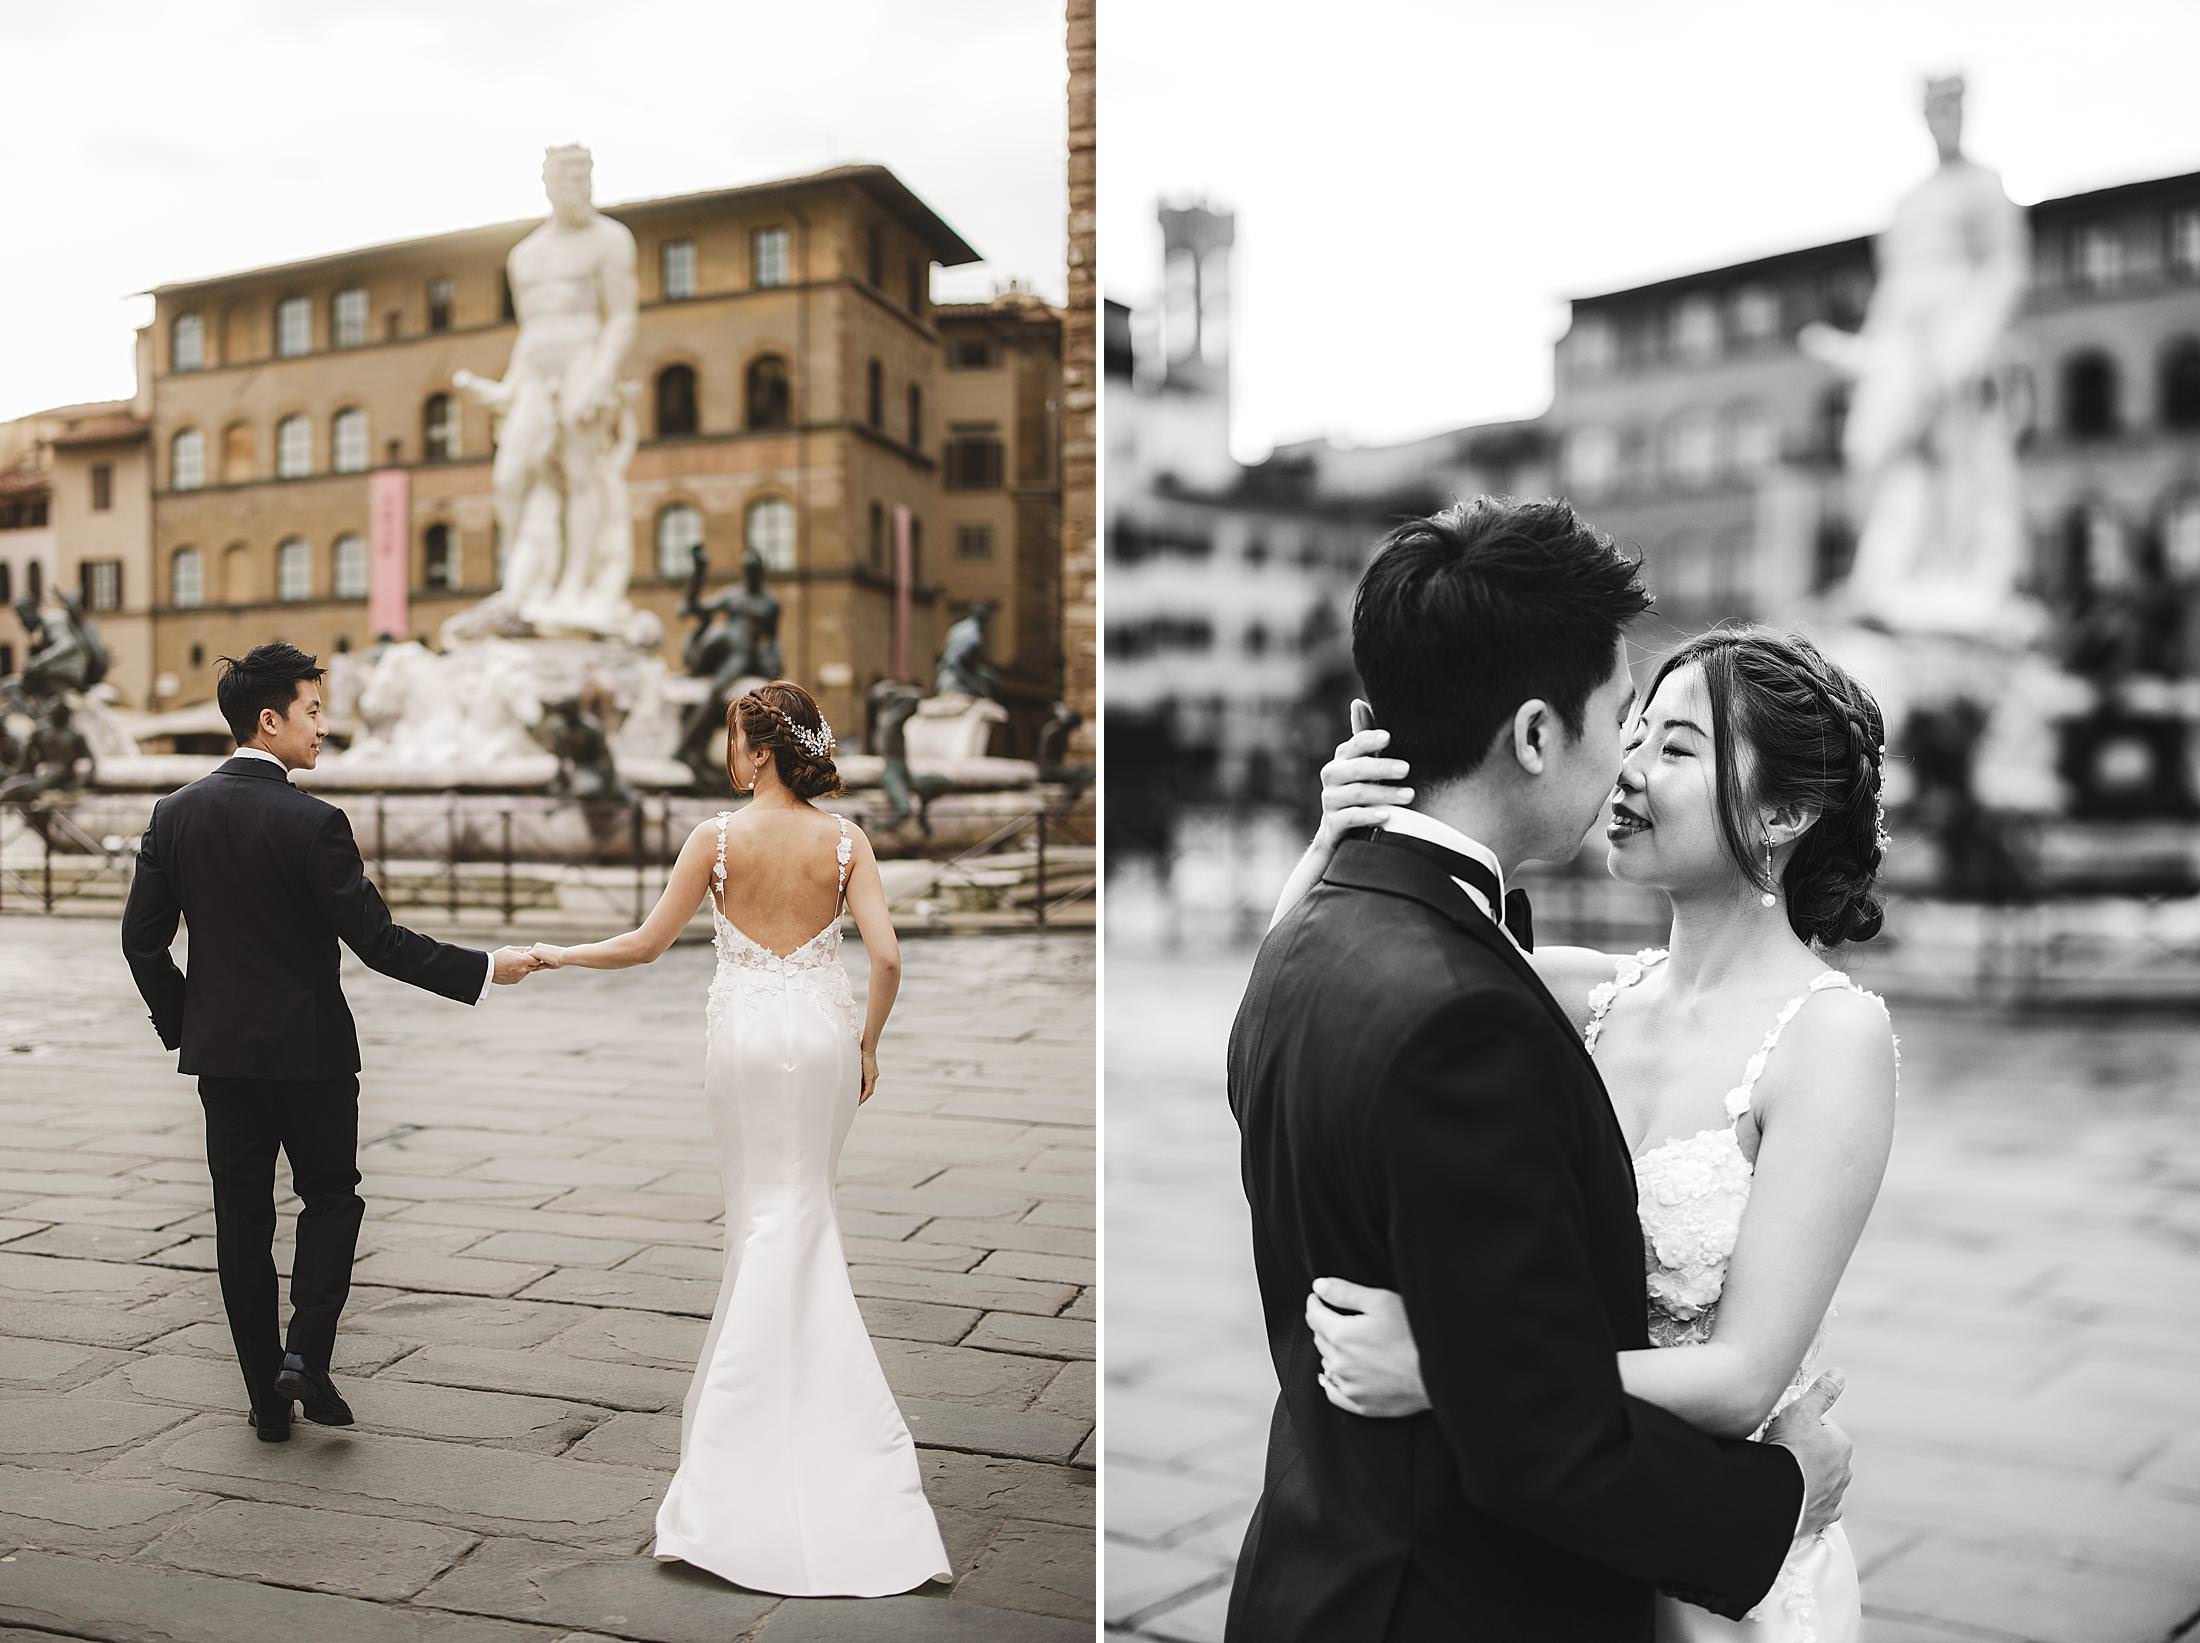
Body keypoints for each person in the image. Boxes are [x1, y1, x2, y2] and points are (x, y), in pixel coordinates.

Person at [1225, 498, 1860, 1643]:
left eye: (1675, 742)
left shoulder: (1322, 947)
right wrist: (1775, 1499)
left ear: (1785, 811)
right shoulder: (1505, 1006)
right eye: (1631, 719)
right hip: (1482, 1581)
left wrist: (1332, 859)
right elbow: (1536, 1442)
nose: (1627, 760)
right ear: (1532, 735)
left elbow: (1735, 1368)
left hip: (1349, 1563)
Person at [526, 680, 950, 1597]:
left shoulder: (714, 839)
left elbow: (645, 944)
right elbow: (886, 956)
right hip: (826, 1038)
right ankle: (831, 1439)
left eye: (732, 739)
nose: (728, 754)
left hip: (747, 1042)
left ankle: (736, 1460)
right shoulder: (847, 840)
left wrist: (555, 954)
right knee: (804, 1214)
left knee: (761, 1218)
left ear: (758, 750)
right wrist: (868, 1040)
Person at [119, 643, 541, 1442]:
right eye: (314, 710)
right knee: (331, 1198)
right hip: (313, 1055)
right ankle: (305, 1354)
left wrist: (190, 1024)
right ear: (270, 719)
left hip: (223, 1060)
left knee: (240, 1221)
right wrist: (483, 968)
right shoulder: (314, 822)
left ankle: (266, 1401)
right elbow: (377, 942)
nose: (325, 725)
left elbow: (141, 943)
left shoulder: (173, 814)